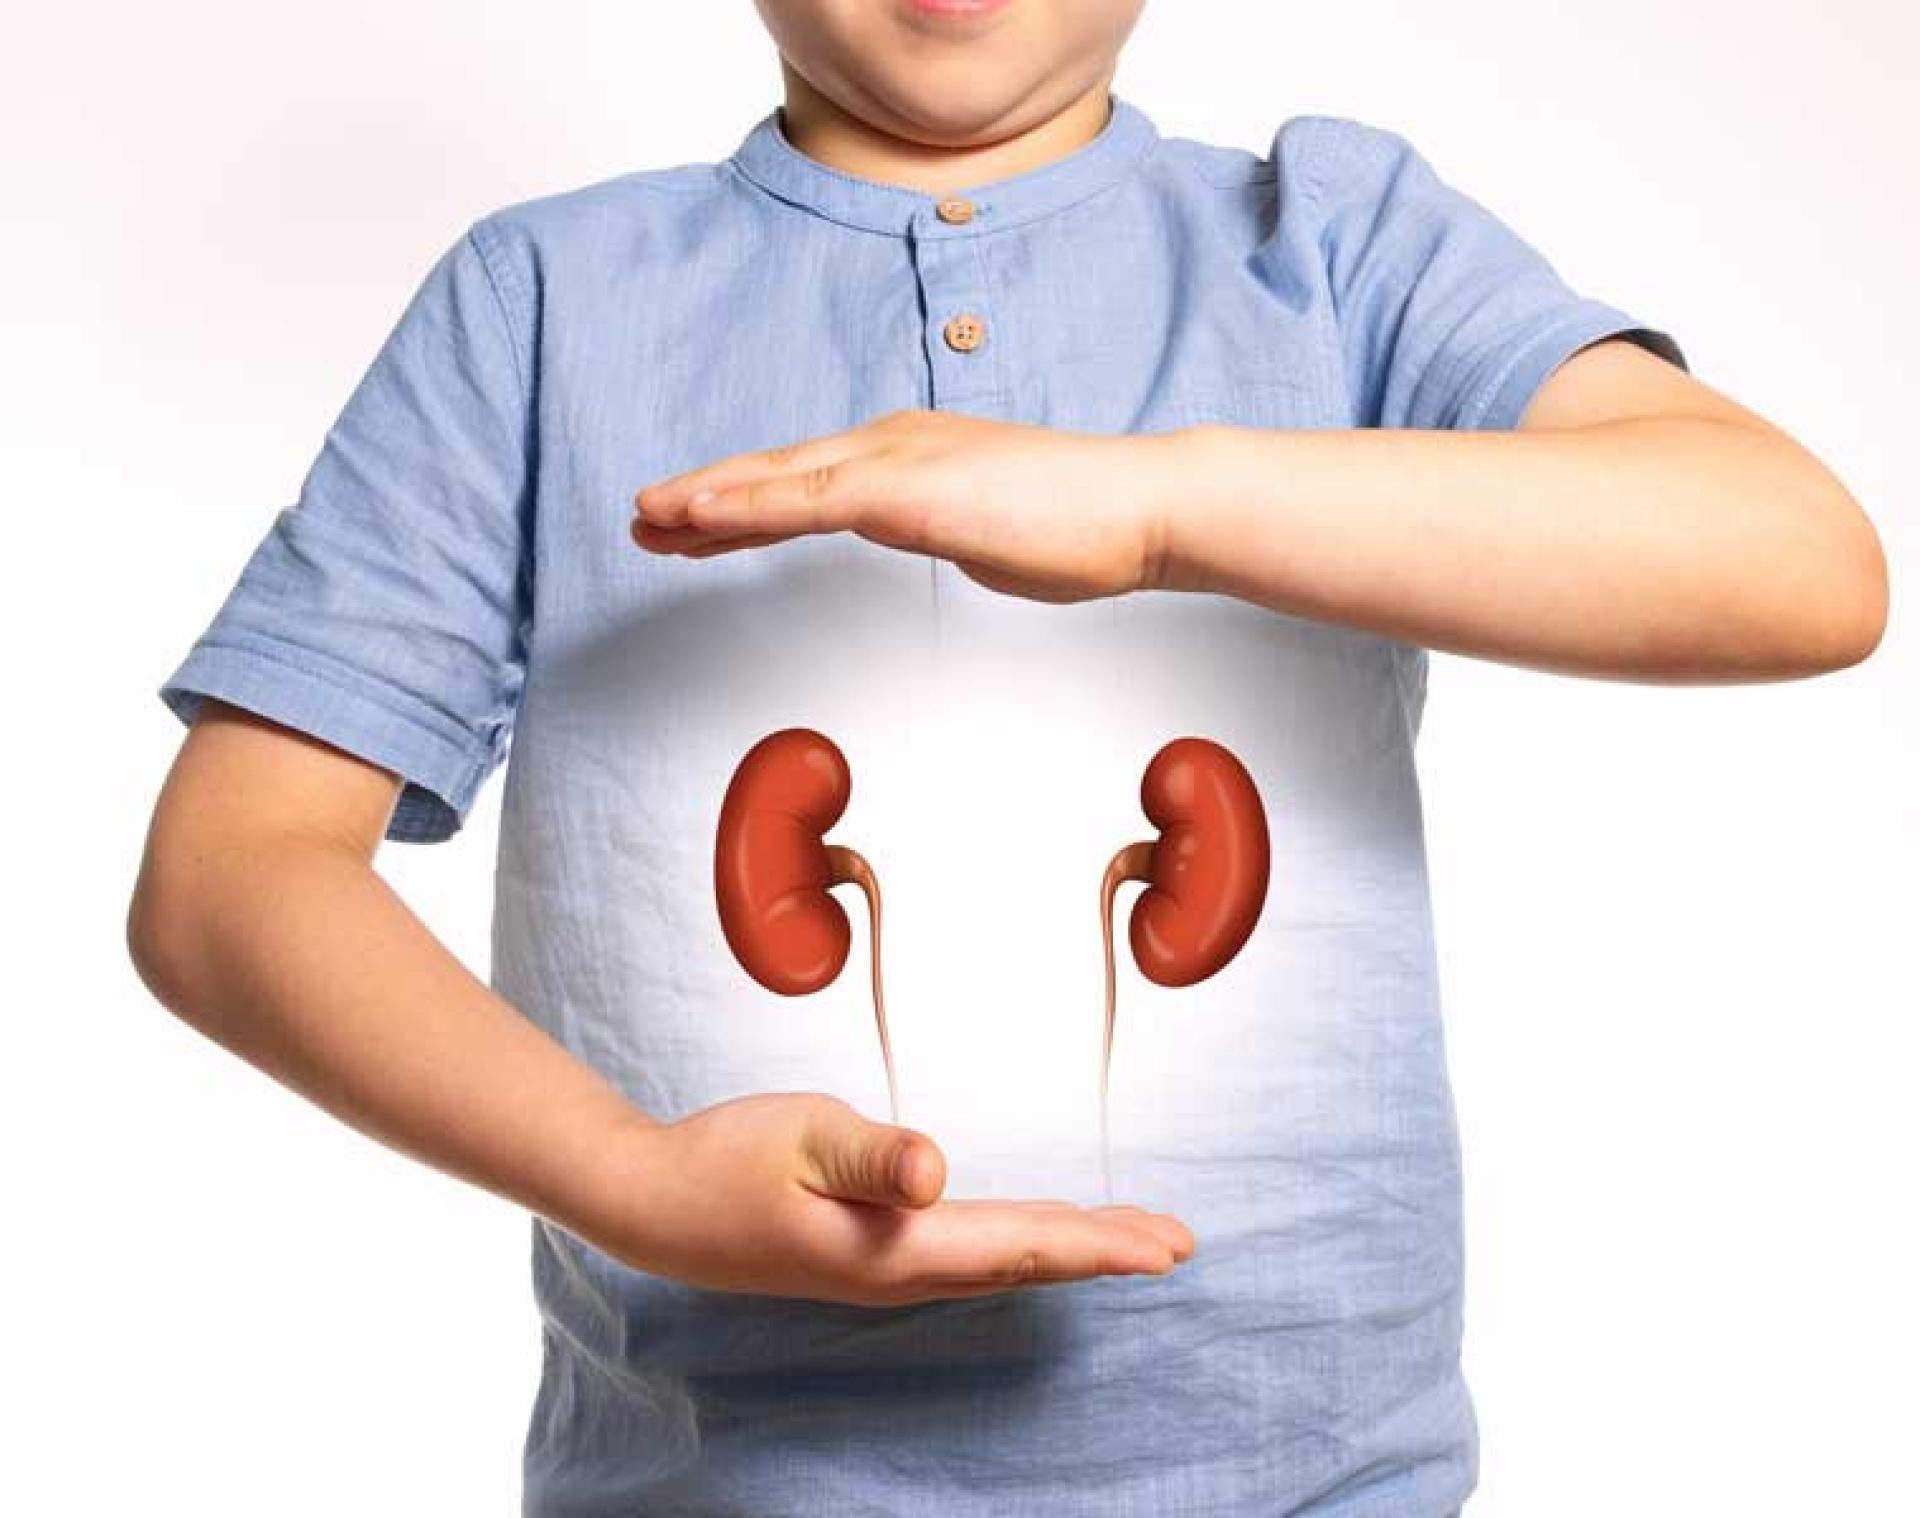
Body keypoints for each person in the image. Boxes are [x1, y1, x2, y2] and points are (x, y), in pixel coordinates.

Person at [126, 1, 1888, 1513]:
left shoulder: (1340, 247)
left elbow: (1796, 561)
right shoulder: (539, 301)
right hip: (719, 1481)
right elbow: (231, 874)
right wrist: (628, 1178)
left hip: (1317, 1479)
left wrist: (1154, 503)